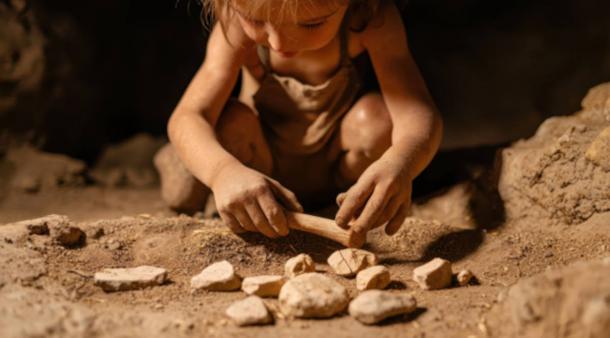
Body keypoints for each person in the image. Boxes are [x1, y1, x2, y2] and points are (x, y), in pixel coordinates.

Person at [157, 0, 443, 239]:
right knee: (230, 124)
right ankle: (182, 163)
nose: (278, 43)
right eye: (256, 21)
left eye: (311, 24)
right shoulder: (233, 23)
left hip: (340, 173)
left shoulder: (367, 19)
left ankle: (334, 208)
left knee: (378, 120)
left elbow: (417, 113)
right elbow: (188, 115)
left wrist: (401, 163)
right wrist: (222, 172)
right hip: (259, 171)